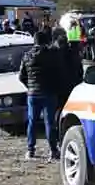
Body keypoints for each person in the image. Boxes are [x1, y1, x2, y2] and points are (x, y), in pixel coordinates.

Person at [18, 30, 60, 160]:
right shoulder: (51, 54)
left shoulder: (27, 56)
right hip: (48, 92)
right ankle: (53, 150)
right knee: (49, 122)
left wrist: (30, 86)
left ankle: (30, 150)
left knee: (32, 122)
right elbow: (57, 72)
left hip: (32, 94)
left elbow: (21, 76)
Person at [52, 33, 84, 122]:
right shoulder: (74, 54)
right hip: (73, 86)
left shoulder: (55, 55)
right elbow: (80, 71)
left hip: (60, 87)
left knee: (60, 109)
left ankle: (59, 125)